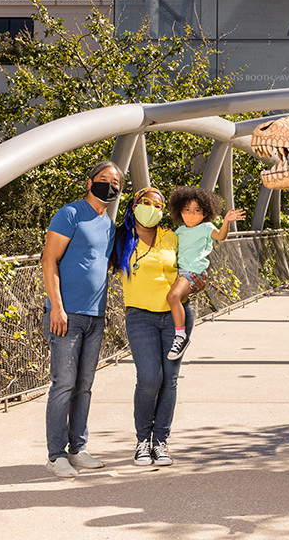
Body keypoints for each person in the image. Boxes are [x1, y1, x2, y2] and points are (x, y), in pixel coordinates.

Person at [41, 160, 122, 479]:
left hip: (95, 315)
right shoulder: (70, 214)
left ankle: (78, 448)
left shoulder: (109, 224)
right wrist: (56, 307)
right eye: (104, 179)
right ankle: (55, 455)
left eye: (116, 182)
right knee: (63, 384)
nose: (110, 186)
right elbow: (49, 261)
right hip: (66, 314)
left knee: (84, 386)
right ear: (90, 183)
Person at [111, 186, 189, 467]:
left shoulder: (172, 237)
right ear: (134, 206)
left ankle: (160, 442)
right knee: (149, 379)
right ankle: (142, 441)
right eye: (146, 203)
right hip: (140, 316)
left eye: (158, 205)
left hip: (175, 316)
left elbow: (189, 271)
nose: (152, 209)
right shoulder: (120, 238)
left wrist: (196, 284)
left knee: (169, 381)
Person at [164, 186, 246, 361]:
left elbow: (221, 236)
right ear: (180, 211)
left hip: (192, 272)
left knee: (173, 297)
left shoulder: (206, 227)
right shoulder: (178, 231)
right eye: (187, 210)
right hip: (178, 271)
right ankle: (177, 333)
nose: (191, 214)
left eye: (196, 210)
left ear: (204, 213)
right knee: (172, 298)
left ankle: (180, 336)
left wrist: (226, 222)